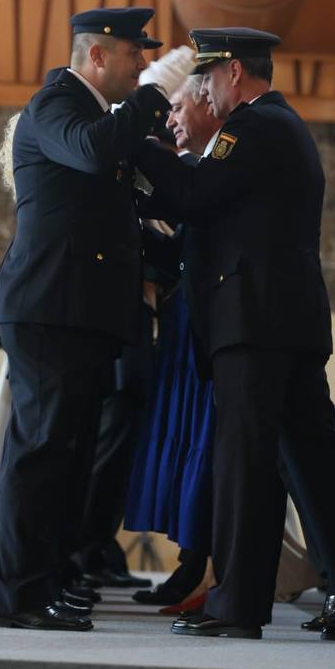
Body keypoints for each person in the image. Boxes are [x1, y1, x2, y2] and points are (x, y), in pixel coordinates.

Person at [133, 27, 335, 641]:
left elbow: (195, 195)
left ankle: (239, 604)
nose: (201, 89)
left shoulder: (255, 127)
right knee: (311, 462)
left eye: (205, 79)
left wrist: (136, 146)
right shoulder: (269, 129)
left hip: (258, 323)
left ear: (232, 72)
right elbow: (208, 223)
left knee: (247, 464)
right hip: (277, 320)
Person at [0, 7, 170, 631]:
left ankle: (49, 581)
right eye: (132, 53)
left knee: (67, 457)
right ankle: (17, 598)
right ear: (96, 56)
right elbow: (92, 156)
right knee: (41, 453)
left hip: (81, 313)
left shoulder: (92, 115)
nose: (141, 63)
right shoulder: (56, 104)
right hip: (48, 308)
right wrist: (147, 105)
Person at [127, 75, 224, 608]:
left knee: (202, 441)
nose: (172, 120)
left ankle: (200, 565)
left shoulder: (214, 166)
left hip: (207, 327)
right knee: (184, 438)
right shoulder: (199, 166)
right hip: (186, 320)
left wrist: (138, 145)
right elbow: (183, 255)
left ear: (209, 106)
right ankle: (191, 559)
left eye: (179, 109)